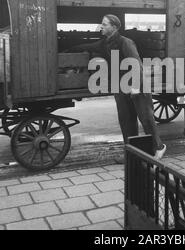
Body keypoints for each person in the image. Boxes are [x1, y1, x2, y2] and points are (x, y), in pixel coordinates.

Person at [69, 15, 166, 159]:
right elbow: (87, 46)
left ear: (114, 27)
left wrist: (135, 87)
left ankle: (159, 146)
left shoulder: (125, 42)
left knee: (145, 117)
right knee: (126, 121)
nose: (101, 26)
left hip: (136, 85)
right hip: (119, 86)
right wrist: (68, 48)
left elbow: (136, 64)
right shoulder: (104, 43)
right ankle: (132, 154)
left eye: (104, 24)